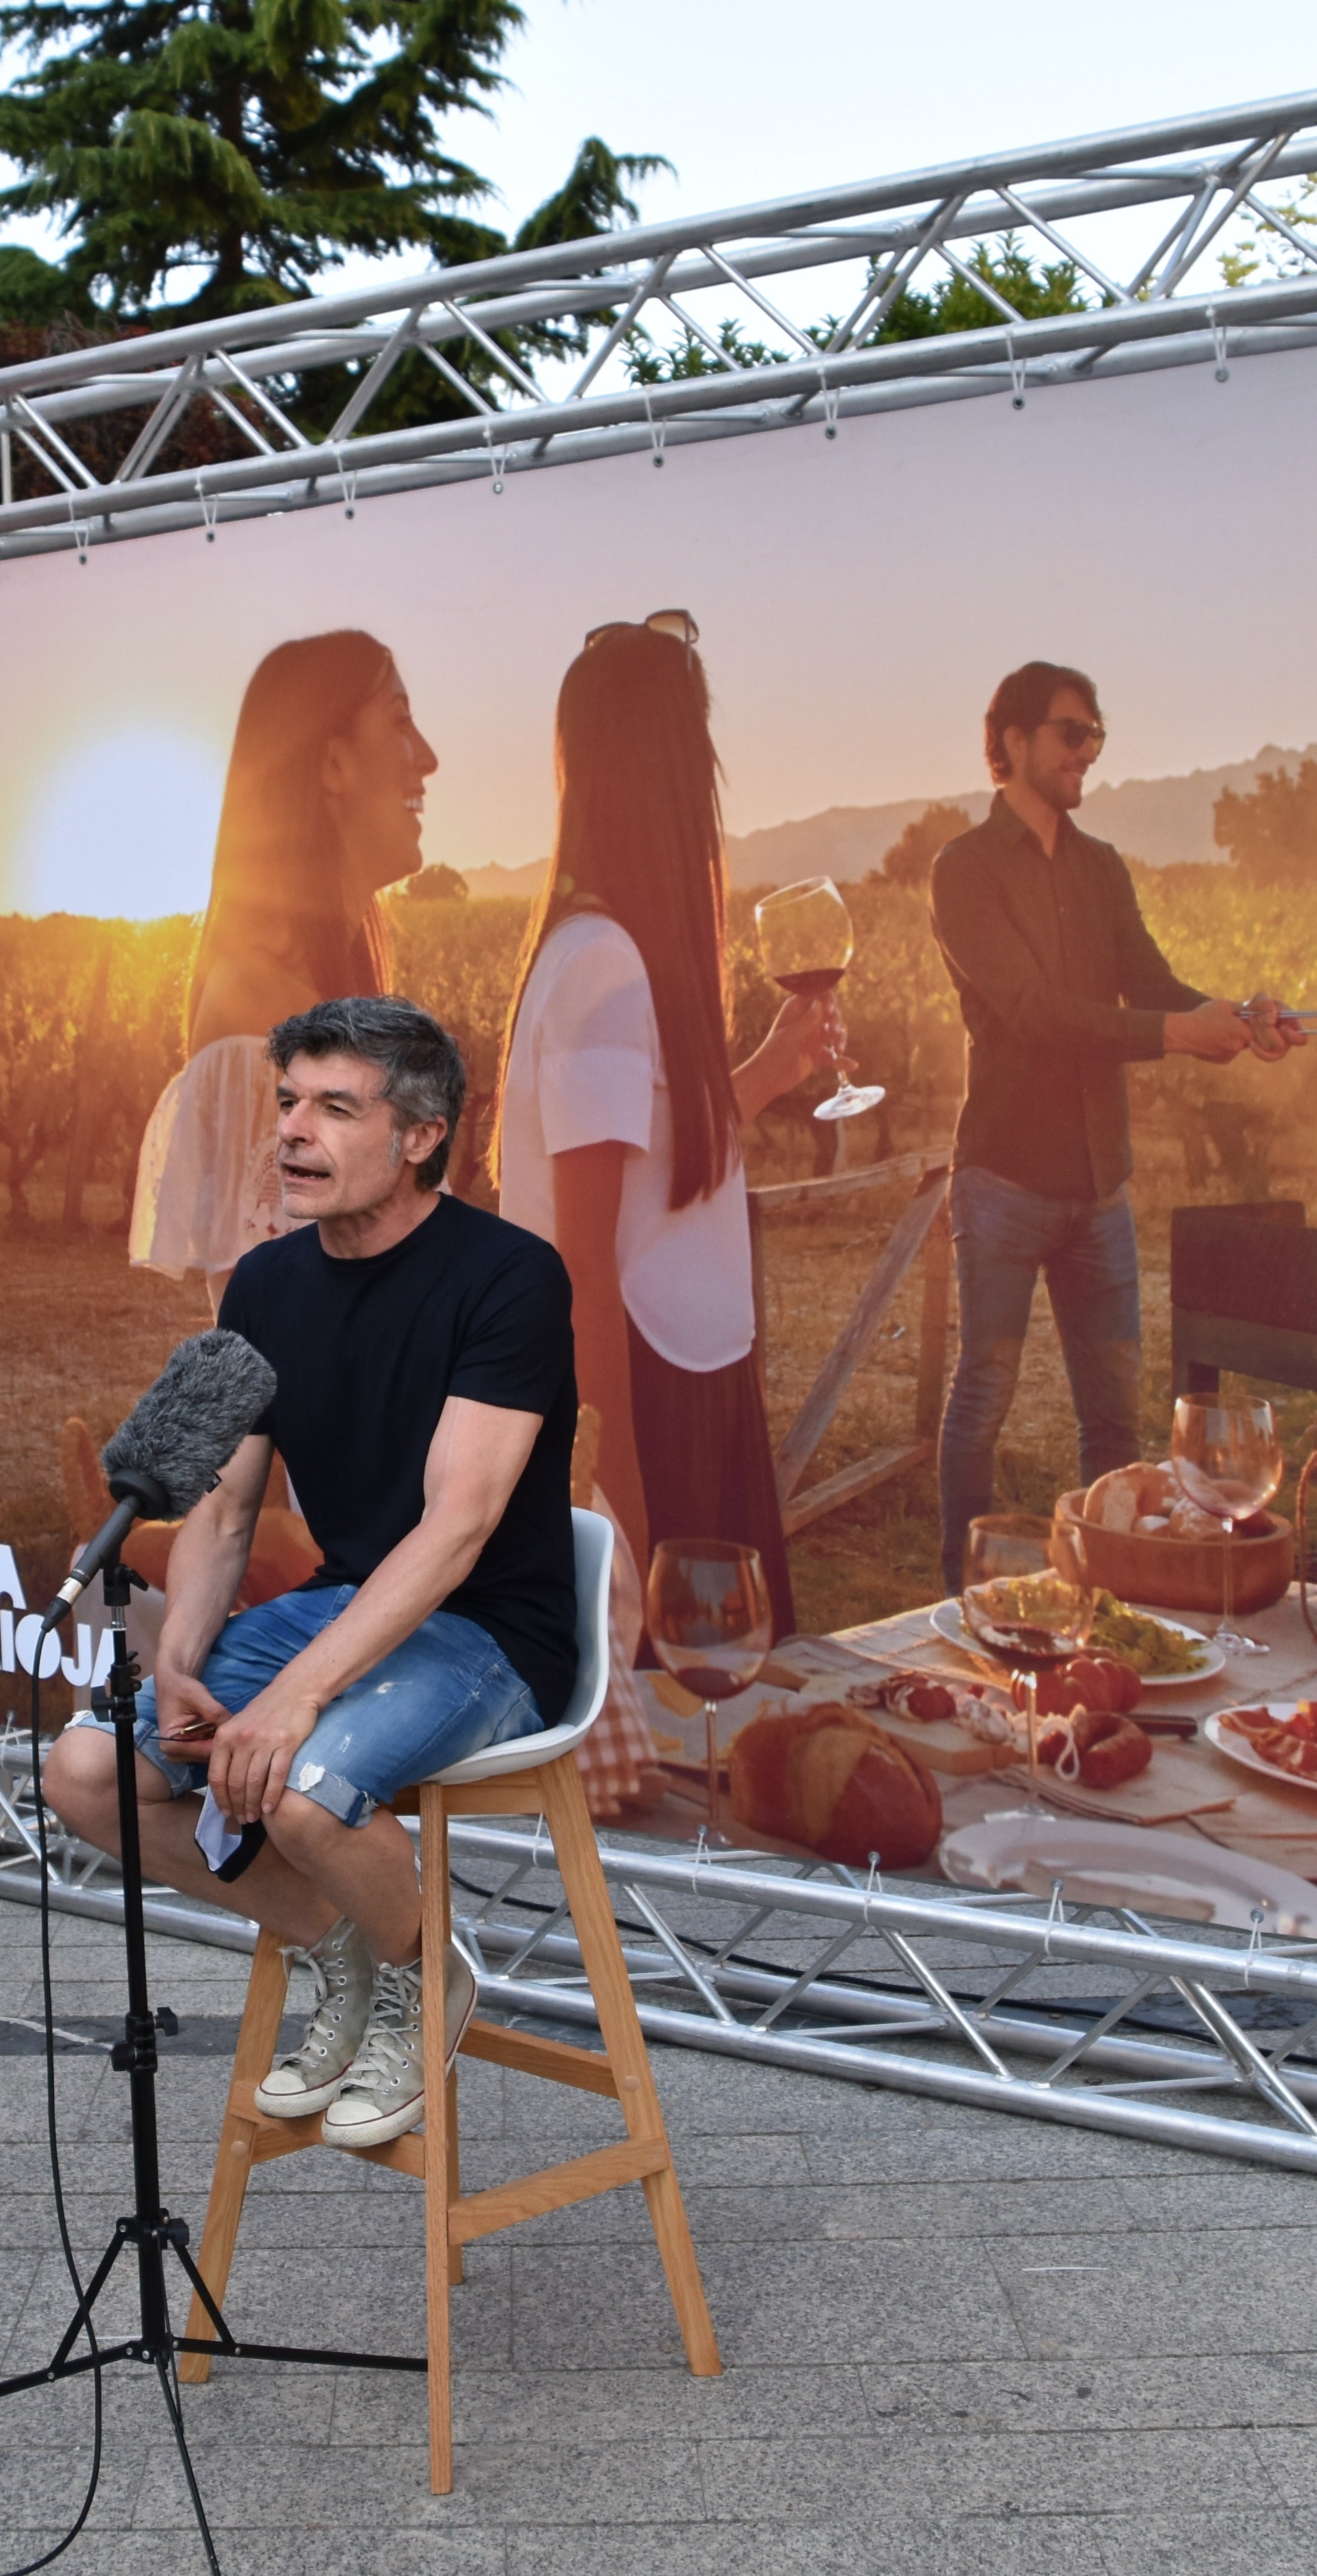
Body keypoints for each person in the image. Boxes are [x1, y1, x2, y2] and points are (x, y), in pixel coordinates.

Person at [43, 997, 577, 2152]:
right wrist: (177, 1660)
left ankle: (425, 1975)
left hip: (488, 1630)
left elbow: (455, 1533)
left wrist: (291, 1700)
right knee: (87, 1776)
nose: (294, 1130)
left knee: (299, 1788)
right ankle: (342, 1945)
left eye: (336, 1108)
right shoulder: (265, 1285)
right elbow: (226, 1511)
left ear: (421, 1135)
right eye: (290, 1102)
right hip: (344, 1605)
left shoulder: (510, 1278)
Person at [496, 614, 840, 1803]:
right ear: (671, 772)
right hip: (649, 1396)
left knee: (715, 1757)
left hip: (690, 1374)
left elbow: (649, 1168)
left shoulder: (611, 951)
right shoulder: (602, 963)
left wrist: (768, 1074)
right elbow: (581, 1259)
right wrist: (621, 1482)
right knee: (693, 1768)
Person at [926, 661, 1295, 1587]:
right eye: (1070, 734)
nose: (1087, 752)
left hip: (1101, 1186)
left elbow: (1152, 983)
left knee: (1117, 1421)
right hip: (1004, 1177)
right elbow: (1032, 1011)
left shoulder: (1101, 868)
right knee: (983, 1399)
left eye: (1095, 736)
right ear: (1011, 740)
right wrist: (1173, 1033)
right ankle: (965, 1595)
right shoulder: (963, 871)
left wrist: (1235, 1016)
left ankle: (1116, 1595)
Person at [129, 633, 441, 1308]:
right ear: (330, 764)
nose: (429, 759)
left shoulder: (321, 1007)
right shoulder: (257, 1023)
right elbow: (263, 1346)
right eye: (397, 720)